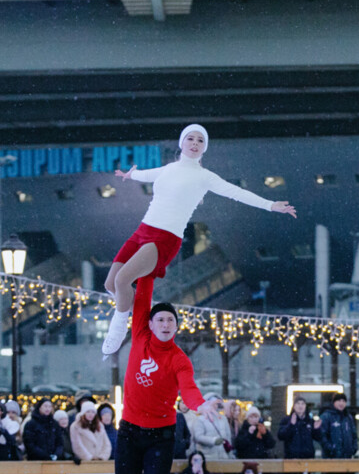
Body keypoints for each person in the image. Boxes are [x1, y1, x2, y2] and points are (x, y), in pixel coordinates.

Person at [100, 124, 297, 355]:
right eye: (190, 138)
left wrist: (271, 205)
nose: (195, 143)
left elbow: (236, 192)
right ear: (181, 142)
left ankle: (118, 328)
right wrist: (130, 174)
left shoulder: (205, 177)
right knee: (109, 283)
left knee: (123, 280)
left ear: (204, 148)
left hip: (164, 238)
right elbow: (146, 174)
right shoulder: (168, 168)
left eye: (200, 141)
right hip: (142, 231)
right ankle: (138, 311)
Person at [110, 275, 216, 474]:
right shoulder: (139, 334)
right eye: (161, 319)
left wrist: (202, 405)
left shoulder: (179, 359)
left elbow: (189, 389)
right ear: (151, 324)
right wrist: (150, 265)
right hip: (128, 432)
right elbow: (142, 293)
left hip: (161, 436)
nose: (166, 324)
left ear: (176, 327)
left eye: (171, 320)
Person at [191, 393, 233, 460]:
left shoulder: (223, 418)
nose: (216, 406)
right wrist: (213, 440)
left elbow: (228, 437)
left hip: (223, 457)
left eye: (217, 404)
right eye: (214, 404)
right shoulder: (200, 419)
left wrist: (230, 454)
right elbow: (198, 437)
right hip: (207, 457)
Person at [314, 392, 357, 459]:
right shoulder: (326, 416)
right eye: (339, 400)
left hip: (347, 457)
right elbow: (322, 436)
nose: (341, 403)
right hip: (330, 458)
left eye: (343, 401)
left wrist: (354, 448)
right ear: (334, 402)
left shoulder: (348, 417)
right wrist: (331, 448)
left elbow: (354, 434)